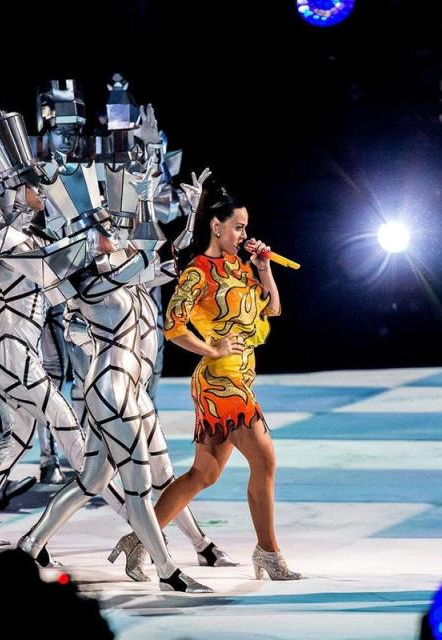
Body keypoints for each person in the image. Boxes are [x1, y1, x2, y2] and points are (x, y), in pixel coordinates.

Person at [151, 180, 300, 580]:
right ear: (216, 226)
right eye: (238, 227)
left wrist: (265, 268)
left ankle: (139, 538)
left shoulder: (240, 267)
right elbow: (173, 325)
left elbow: (274, 308)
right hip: (220, 381)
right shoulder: (198, 272)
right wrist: (211, 349)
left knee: (205, 474)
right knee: (265, 459)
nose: (244, 235)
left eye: (246, 228)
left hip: (241, 376)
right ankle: (268, 554)